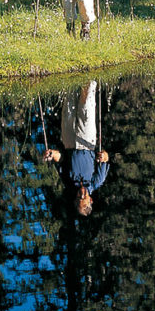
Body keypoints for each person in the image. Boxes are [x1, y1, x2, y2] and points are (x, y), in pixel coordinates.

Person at [44, 81, 109, 216]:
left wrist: (51, 154)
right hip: (87, 142)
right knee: (86, 106)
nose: (81, 195)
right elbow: (105, 158)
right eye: (84, 198)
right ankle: (90, 75)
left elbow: (60, 158)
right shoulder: (97, 181)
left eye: (78, 198)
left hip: (68, 142)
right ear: (90, 199)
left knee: (68, 106)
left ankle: (69, 75)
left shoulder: (68, 182)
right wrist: (103, 156)